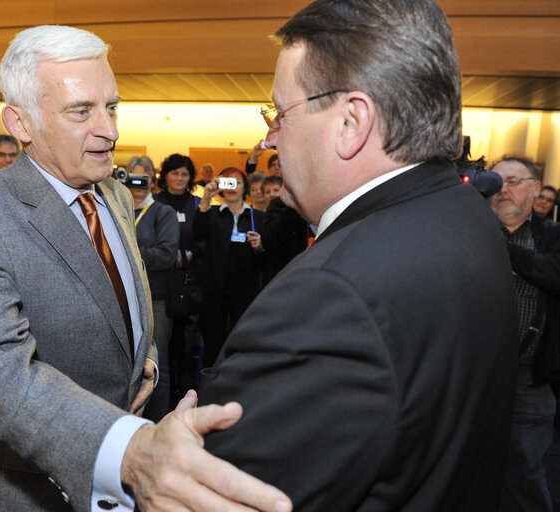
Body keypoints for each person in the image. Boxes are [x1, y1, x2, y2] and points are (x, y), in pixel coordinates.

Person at [0, 25, 290, 512]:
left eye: (112, 106)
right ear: (20, 123)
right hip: (31, 490)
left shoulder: (115, 195)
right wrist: (125, 446)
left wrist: (144, 365)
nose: (110, 130)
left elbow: (121, 303)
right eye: (82, 111)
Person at [200, 1, 519, 510]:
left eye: (279, 114)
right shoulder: (463, 213)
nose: (270, 138)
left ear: (352, 122)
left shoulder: (332, 295)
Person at [488, 155, 560, 512]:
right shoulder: (469, 231)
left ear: (535, 188)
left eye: (513, 182)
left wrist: (505, 252)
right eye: (496, 183)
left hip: (528, 380)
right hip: (472, 377)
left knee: (524, 472)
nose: (503, 190)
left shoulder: (553, 236)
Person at [126, 155, 179, 422]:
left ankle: (159, 422)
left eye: (142, 178)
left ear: (153, 181)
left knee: (158, 365)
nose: (136, 184)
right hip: (123, 298)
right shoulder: (118, 209)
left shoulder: (163, 212)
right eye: (132, 177)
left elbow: (167, 255)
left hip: (155, 298)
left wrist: (127, 252)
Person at [195, 167, 264, 369]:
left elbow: (267, 254)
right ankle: (209, 388)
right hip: (214, 288)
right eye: (228, 182)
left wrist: (261, 246)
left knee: (242, 340)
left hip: (245, 289)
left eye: (237, 183)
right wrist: (206, 197)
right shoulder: (212, 213)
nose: (232, 187)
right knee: (212, 342)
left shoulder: (256, 217)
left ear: (245, 188)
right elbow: (197, 234)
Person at [153, 153, 203, 404]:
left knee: (185, 336)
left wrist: (194, 254)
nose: (180, 178)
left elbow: (205, 237)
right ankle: (164, 389)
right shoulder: (155, 202)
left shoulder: (197, 204)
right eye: (175, 173)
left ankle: (183, 388)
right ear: (166, 176)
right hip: (161, 279)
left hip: (188, 280)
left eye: (185, 174)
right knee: (164, 338)